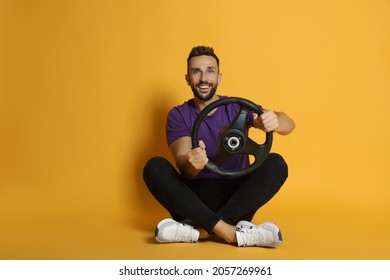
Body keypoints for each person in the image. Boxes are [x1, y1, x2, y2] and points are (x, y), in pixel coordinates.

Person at [143, 46, 295, 247]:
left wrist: (273, 121)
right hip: (194, 198)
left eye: (210, 71)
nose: (203, 78)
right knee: (154, 167)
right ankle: (230, 232)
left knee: (276, 163)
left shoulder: (237, 107)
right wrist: (193, 163)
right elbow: (183, 166)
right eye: (196, 72)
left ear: (219, 77)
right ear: (188, 78)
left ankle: (202, 229)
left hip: (236, 197)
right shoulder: (178, 114)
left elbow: (288, 124)